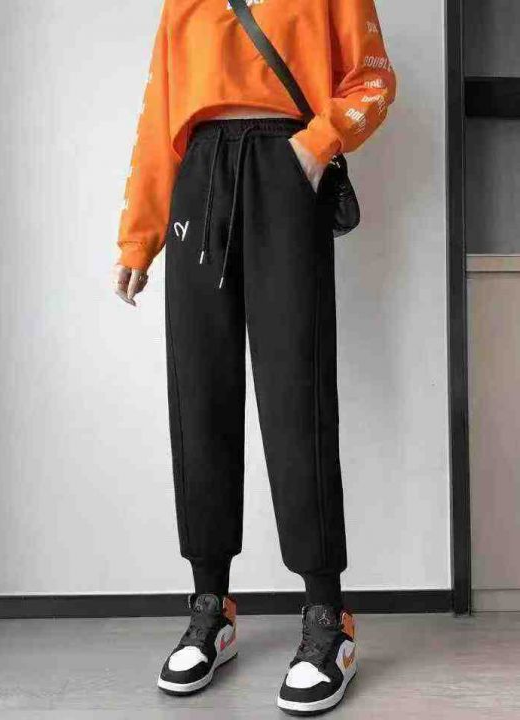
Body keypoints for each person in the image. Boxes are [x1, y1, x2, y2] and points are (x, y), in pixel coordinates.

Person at [113, 0, 396, 714]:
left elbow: (372, 79)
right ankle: (210, 607)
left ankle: (327, 618)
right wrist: (138, 236)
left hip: (285, 165)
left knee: (296, 392)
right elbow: (159, 116)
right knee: (199, 393)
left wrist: (314, 145)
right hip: (199, 175)